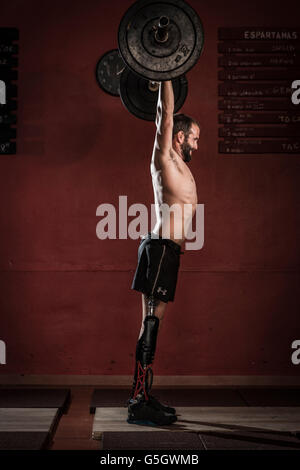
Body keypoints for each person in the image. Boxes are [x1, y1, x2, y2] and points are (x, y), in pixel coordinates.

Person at [127, 80, 200, 426]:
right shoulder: (164, 158)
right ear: (179, 136)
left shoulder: (183, 168)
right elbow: (164, 114)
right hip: (159, 250)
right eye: (194, 138)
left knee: (152, 326)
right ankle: (138, 403)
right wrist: (167, 73)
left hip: (168, 252)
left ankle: (143, 396)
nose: (197, 145)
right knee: (152, 324)